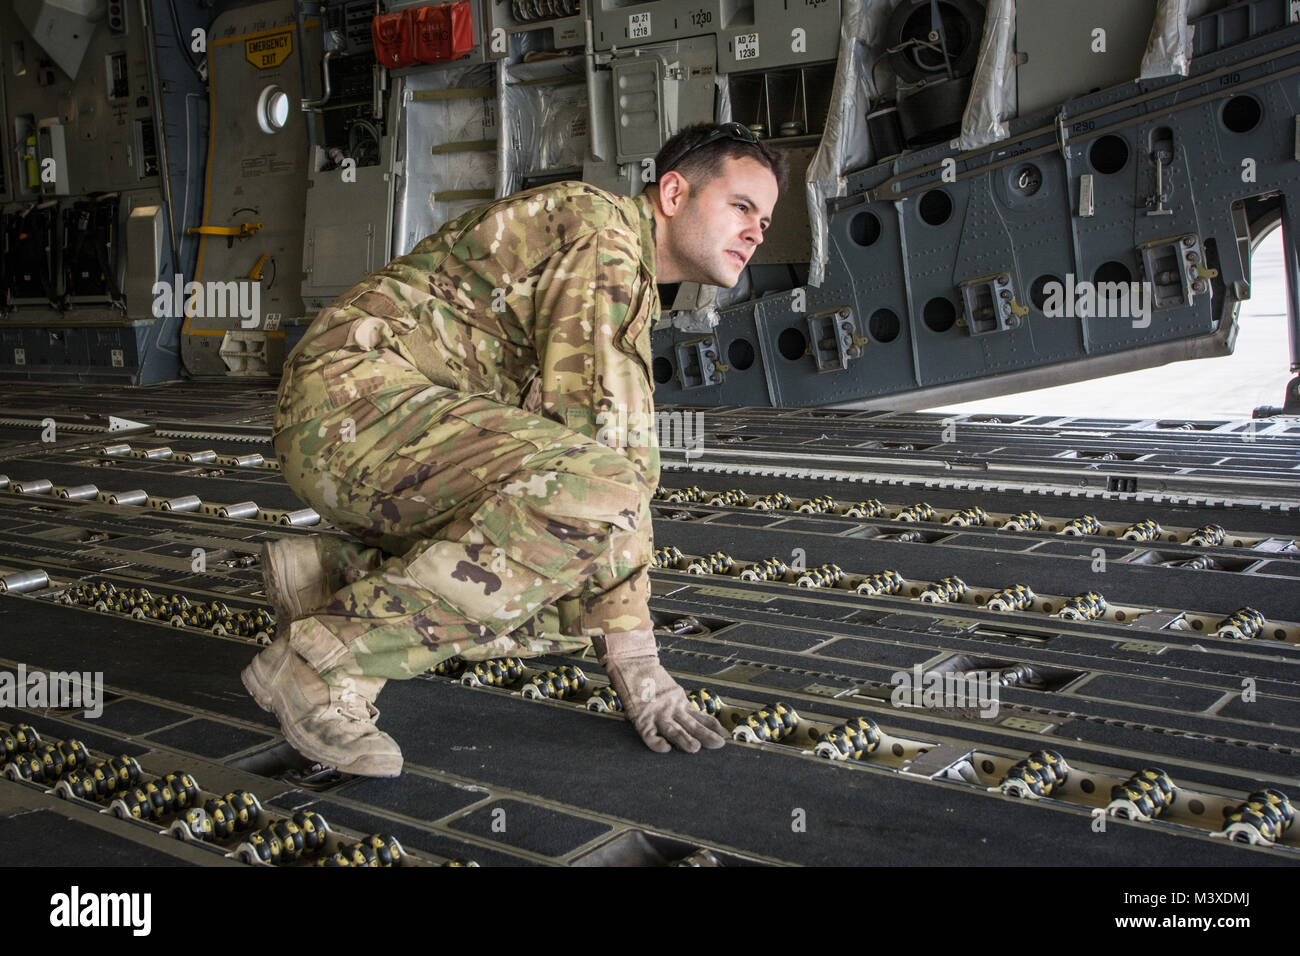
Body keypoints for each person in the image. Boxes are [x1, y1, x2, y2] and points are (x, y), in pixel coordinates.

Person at [242, 122, 786, 776]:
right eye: (741, 207)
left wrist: (617, 633)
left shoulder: (620, 257)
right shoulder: (602, 241)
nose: (758, 231)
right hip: (349, 409)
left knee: (559, 606)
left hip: (371, 424)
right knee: (589, 511)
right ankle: (322, 660)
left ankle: (333, 579)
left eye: (766, 219)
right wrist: (638, 662)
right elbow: (612, 459)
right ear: (674, 193)